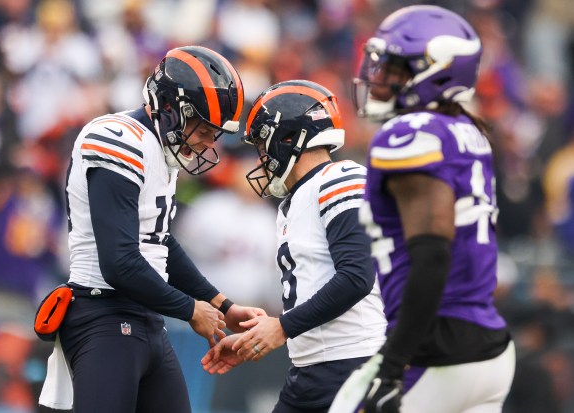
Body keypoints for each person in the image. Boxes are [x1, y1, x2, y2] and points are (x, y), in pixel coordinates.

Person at [38, 45, 266, 413]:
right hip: (103, 315)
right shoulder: (117, 138)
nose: (211, 142)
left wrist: (221, 303)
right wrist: (191, 309)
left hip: (145, 319)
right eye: (205, 128)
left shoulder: (158, 150)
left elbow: (159, 243)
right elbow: (119, 261)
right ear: (172, 108)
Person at [330, 5, 516, 413]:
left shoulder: (408, 134)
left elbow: (433, 256)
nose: (378, 78)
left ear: (438, 72)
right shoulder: (468, 132)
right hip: (488, 350)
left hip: (435, 351)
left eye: (395, 69)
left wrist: (394, 364)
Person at [201, 80, 387, 413]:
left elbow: (358, 277)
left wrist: (282, 328)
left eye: (262, 143)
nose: (261, 155)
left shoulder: (339, 178)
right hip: (313, 368)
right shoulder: (295, 200)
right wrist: (256, 340)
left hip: (351, 364)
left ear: (289, 138)